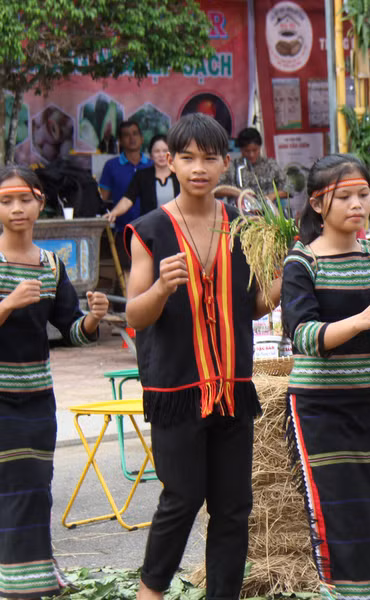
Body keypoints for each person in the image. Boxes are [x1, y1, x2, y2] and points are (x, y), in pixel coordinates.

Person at [126, 114, 281, 600]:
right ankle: (150, 591)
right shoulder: (149, 229)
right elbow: (135, 314)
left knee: (234, 505)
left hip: (233, 385)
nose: (198, 168)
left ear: (225, 164)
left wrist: (285, 278)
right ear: (170, 162)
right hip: (176, 387)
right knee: (182, 497)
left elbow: (253, 303)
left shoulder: (242, 227)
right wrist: (161, 287)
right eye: (187, 157)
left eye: (209, 158)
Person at [282, 153, 370, 600]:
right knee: (334, 514)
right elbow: (303, 335)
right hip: (319, 408)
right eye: (344, 196)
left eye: (363, 194)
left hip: (367, 401)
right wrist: (363, 321)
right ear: (319, 205)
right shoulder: (302, 263)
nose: (357, 204)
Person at [0, 167, 108, 599]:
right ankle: (22, 584)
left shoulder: (50, 265)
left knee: (36, 488)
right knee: (15, 487)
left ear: (40, 203)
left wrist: (94, 318)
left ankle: (34, 576)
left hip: (38, 398)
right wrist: (7, 304)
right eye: (6, 201)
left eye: (24, 199)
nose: (16, 209)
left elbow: (71, 330)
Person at [99, 120, 152, 267]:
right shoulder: (111, 166)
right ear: (121, 141)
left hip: (150, 227)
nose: (132, 138)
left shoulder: (152, 165)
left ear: (142, 138)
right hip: (123, 229)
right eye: (126, 135)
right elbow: (103, 198)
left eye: (135, 134)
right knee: (126, 271)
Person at [105, 135, 180, 225]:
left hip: (177, 228)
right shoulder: (142, 176)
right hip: (149, 229)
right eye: (157, 151)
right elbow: (128, 199)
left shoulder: (179, 176)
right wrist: (114, 213)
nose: (161, 155)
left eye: (165, 151)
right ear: (151, 155)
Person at [218, 127, 292, 206]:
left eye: (255, 150)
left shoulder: (270, 165)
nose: (251, 154)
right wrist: (237, 193)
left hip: (268, 213)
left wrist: (273, 196)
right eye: (247, 151)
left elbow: (289, 189)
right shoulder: (232, 166)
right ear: (241, 149)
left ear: (260, 147)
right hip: (240, 212)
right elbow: (215, 190)